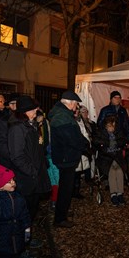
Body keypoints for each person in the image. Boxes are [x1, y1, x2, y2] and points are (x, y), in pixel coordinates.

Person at [7, 95, 51, 220]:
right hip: (26, 179)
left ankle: (27, 235)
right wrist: (32, 171)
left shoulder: (31, 125)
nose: (36, 111)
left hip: (34, 176)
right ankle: (23, 237)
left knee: (32, 209)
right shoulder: (17, 128)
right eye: (32, 109)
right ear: (24, 112)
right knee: (24, 212)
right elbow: (17, 156)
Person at [48, 90, 87, 228]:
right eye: (76, 104)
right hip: (66, 158)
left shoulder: (63, 115)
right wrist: (86, 146)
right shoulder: (62, 117)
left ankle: (62, 213)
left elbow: (74, 135)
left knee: (66, 188)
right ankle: (59, 219)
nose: (76, 106)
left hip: (66, 157)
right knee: (65, 189)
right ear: (70, 103)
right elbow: (72, 139)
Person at [93, 115, 127, 206]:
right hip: (105, 157)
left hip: (117, 156)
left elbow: (123, 140)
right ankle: (113, 194)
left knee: (119, 171)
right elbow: (96, 141)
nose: (111, 128)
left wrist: (115, 142)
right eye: (110, 125)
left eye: (113, 125)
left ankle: (120, 193)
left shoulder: (118, 132)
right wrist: (108, 143)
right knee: (112, 171)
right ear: (106, 126)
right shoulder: (101, 132)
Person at [0, 93, 20, 170]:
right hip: (9, 163)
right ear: (9, 105)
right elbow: (0, 143)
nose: (15, 106)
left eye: (17, 103)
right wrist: (14, 156)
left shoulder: (26, 120)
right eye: (12, 103)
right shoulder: (3, 121)